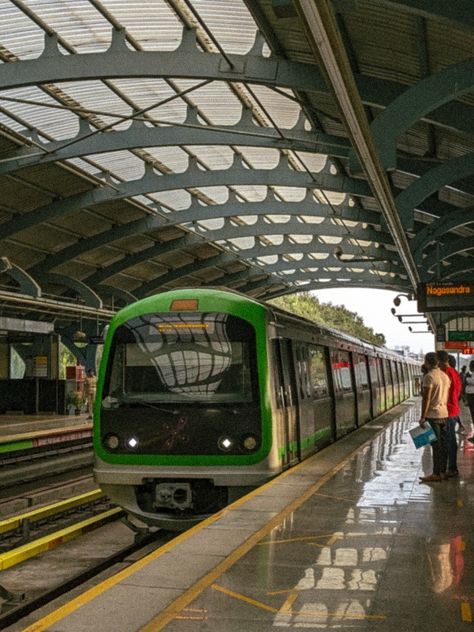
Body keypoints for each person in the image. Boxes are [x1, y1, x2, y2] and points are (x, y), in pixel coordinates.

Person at [419, 352, 450, 483]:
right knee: (443, 444)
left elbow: (426, 398)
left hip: (433, 415)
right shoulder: (445, 376)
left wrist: (423, 416)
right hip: (444, 414)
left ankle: (436, 473)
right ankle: (443, 471)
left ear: (427, 362)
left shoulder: (429, 377)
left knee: (435, 445)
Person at [436, 351, 461, 477]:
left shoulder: (447, 373)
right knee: (450, 440)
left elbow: (444, 393)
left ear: (440, 361)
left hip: (449, 411)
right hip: (453, 409)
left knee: (449, 441)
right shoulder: (455, 373)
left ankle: (451, 468)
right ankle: (450, 468)